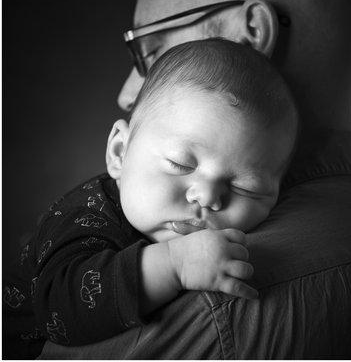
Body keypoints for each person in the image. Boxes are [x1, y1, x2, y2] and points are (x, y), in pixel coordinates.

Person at [39, 0, 351, 360]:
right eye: (179, 163)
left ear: (250, 35)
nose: (128, 92)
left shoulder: (212, 297)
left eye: (153, 50)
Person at [4, 39, 298, 352]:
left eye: (245, 188)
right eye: (181, 164)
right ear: (120, 152)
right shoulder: (85, 216)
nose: (208, 198)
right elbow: (57, 309)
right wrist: (175, 264)